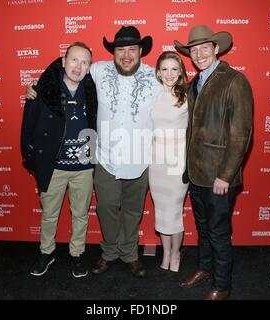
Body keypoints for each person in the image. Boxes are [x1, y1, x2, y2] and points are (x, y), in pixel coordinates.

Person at [27, 26, 161, 278]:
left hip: (140, 159)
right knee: (106, 208)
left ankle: (130, 254)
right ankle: (109, 253)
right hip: (106, 159)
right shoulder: (98, 70)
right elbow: (66, 67)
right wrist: (36, 86)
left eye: (132, 49)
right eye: (121, 49)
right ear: (114, 52)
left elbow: (176, 96)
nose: (126, 55)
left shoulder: (155, 77)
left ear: (141, 51)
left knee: (133, 212)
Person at [174, 25, 253, 300]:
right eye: (194, 50)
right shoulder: (195, 82)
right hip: (196, 173)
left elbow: (241, 134)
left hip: (219, 177)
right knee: (203, 228)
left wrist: (226, 175)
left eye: (204, 47)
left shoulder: (234, 81)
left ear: (216, 48)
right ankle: (205, 269)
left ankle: (222, 285)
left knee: (219, 233)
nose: (199, 54)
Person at [21, 42, 97, 278]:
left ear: (89, 67)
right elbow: (28, 128)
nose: (78, 66)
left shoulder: (94, 92)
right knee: (49, 214)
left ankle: (77, 254)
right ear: (63, 62)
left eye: (84, 62)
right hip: (53, 167)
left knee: (81, 214)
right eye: (74, 59)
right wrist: (33, 160)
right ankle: (47, 252)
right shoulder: (43, 90)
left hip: (84, 168)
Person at [149, 52, 189, 273]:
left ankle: (176, 253)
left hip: (178, 160)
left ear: (181, 72)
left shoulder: (187, 96)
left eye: (174, 69)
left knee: (174, 210)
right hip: (156, 161)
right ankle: (166, 252)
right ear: (158, 72)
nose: (169, 74)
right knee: (162, 211)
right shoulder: (153, 95)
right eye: (165, 69)